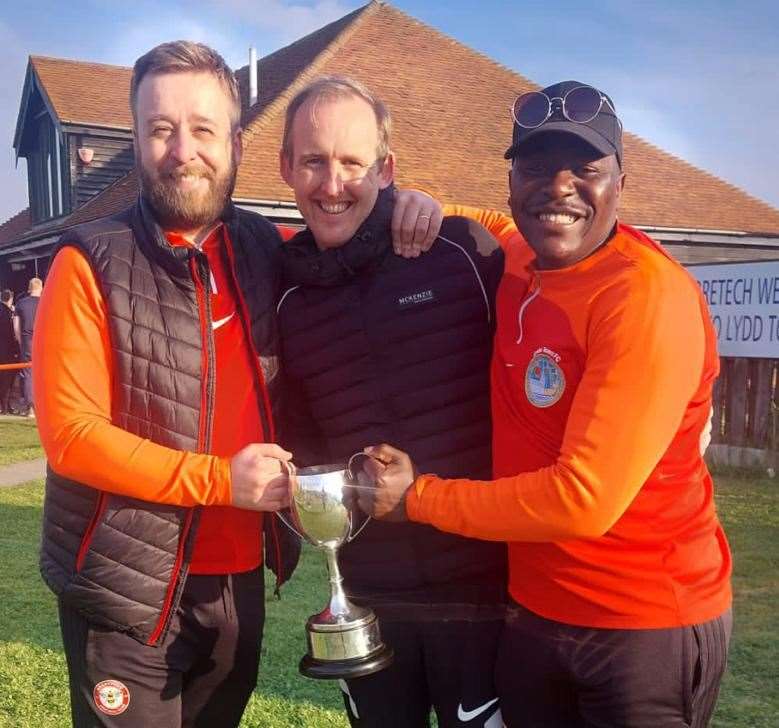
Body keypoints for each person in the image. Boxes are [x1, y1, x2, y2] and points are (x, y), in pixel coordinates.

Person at [33, 41, 439, 728]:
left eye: (201, 129)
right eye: (160, 129)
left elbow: (351, 225)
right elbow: (72, 437)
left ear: (236, 143)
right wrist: (219, 481)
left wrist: (413, 204)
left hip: (237, 584)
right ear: (134, 139)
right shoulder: (90, 261)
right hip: (126, 597)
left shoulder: (268, 250)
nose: (181, 150)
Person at [361, 81, 733, 727]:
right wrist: (414, 202)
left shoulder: (642, 297)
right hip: (533, 612)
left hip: (640, 623)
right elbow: (481, 221)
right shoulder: (519, 255)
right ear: (510, 179)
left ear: (620, 180)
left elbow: (581, 500)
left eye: (585, 170)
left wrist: (417, 498)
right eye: (535, 168)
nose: (558, 187)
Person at [277, 76, 506, 728]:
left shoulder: (464, 252)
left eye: (352, 163)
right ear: (286, 167)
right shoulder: (282, 292)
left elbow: (575, 256)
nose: (331, 184)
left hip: (485, 595)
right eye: (314, 161)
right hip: (367, 597)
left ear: (386, 170)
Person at [14, 277, 41, 416]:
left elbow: (16, 328)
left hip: (27, 341)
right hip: (43, 341)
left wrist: (20, 342)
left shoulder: (20, 304)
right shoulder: (46, 302)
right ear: (41, 288)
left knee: (28, 373)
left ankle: (31, 408)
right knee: (45, 371)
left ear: (29, 288)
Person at [0, 288, 19, 414]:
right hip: (7, 350)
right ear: (10, 299)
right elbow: (12, 333)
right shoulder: (9, 313)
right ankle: (5, 406)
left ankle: (4, 405)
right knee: (7, 379)